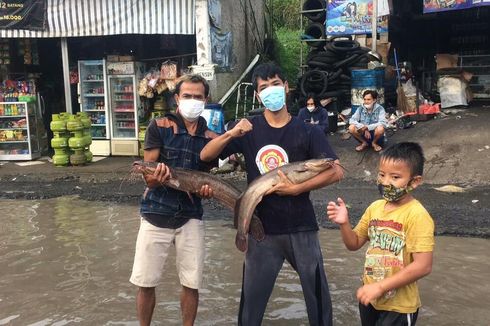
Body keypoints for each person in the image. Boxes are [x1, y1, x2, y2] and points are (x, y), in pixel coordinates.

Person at [200, 62, 344, 326]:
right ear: (257, 96)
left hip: (301, 227)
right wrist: (232, 132)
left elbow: (336, 171)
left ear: (286, 87)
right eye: (264, 88)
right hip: (260, 230)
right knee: (250, 308)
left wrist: (297, 188)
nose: (271, 91)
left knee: (319, 300)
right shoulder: (248, 129)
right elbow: (206, 156)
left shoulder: (308, 130)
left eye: (275, 84)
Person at [129, 74, 218, 326]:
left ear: (206, 99)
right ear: (177, 98)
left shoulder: (211, 136)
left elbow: (205, 177)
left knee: (192, 283)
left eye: (197, 97)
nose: (192, 100)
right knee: (145, 283)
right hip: (155, 213)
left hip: (191, 215)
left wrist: (205, 190)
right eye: (187, 96)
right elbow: (149, 177)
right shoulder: (159, 126)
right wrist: (156, 176)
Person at [327, 142, 434, 326]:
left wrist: (380, 287)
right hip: (371, 297)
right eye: (382, 175)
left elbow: (423, 266)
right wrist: (344, 223)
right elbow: (354, 244)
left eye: (395, 177)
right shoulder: (375, 208)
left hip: (399, 307)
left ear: (414, 181)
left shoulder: (417, 215)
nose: (385, 182)